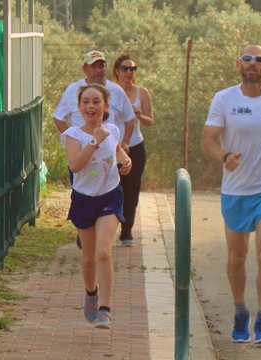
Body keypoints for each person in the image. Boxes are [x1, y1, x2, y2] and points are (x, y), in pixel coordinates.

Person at [201, 44, 261, 344]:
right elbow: (208, 140)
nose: (253, 63)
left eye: (259, 59)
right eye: (247, 59)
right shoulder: (224, 99)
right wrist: (224, 156)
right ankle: (240, 310)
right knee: (236, 257)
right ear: (239, 65)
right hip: (236, 189)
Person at [60, 83, 132, 329]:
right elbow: (75, 165)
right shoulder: (73, 135)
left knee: (103, 251)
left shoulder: (112, 130)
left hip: (110, 196)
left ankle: (106, 308)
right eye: (86, 102)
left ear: (106, 106)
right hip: (83, 199)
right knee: (89, 256)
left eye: (96, 101)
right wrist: (93, 141)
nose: (91, 106)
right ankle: (91, 292)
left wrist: (126, 161)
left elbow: (119, 153)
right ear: (79, 107)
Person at [53, 50, 135, 249]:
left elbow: (129, 118)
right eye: (94, 65)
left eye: (102, 65)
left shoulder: (115, 90)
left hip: (108, 156)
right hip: (82, 157)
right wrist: (71, 140)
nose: (99, 70)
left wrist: (122, 144)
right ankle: (87, 230)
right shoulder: (73, 90)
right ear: (85, 68)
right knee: (85, 193)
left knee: (110, 192)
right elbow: (58, 116)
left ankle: (103, 233)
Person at [112, 54, 154, 247]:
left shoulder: (142, 92)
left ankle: (127, 230)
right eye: (125, 68)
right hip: (111, 146)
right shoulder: (109, 91)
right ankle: (100, 226)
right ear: (117, 71)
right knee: (111, 187)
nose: (129, 72)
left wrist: (140, 115)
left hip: (135, 145)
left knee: (132, 189)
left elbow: (150, 121)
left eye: (133, 69)